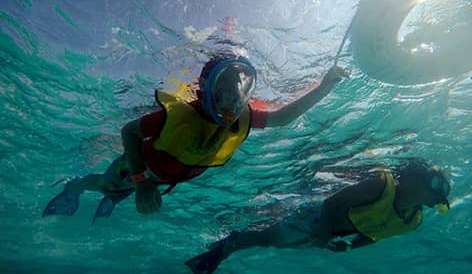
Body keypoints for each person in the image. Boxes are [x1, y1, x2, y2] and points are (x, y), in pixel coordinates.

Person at [42, 53, 347, 222]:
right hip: (134, 171)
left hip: (159, 180)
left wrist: (325, 86)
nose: (231, 105)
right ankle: (75, 187)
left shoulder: (241, 116)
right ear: (205, 89)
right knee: (109, 186)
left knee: (119, 197)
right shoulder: (177, 116)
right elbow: (128, 131)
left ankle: (113, 198)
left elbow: (283, 117)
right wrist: (142, 182)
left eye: (239, 95)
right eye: (223, 94)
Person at [185, 158, 451, 274]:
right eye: (433, 183)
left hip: (331, 233)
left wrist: (348, 247)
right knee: (265, 237)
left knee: (269, 238)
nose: (435, 194)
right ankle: (223, 247)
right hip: (318, 217)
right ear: (411, 179)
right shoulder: (381, 185)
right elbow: (334, 203)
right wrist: (324, 233)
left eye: (440, 191)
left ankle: (226, 244)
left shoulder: (413, 222)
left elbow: (375, 235)